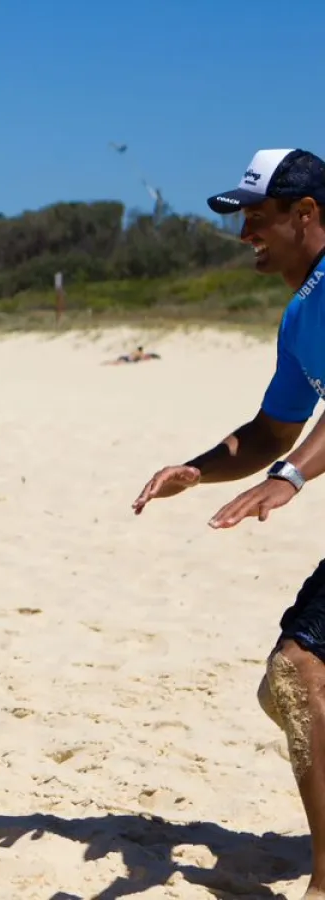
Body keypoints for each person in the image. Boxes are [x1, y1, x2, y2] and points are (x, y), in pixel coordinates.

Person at [132, 148, 325, 898]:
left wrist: (293, 477)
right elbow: (275, 428)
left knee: (297, 675)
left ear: (306, 215)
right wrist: (199, 469)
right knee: (292, 686)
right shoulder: (303, 309)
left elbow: (291, 454)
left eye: (259, 217)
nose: (246, 232)